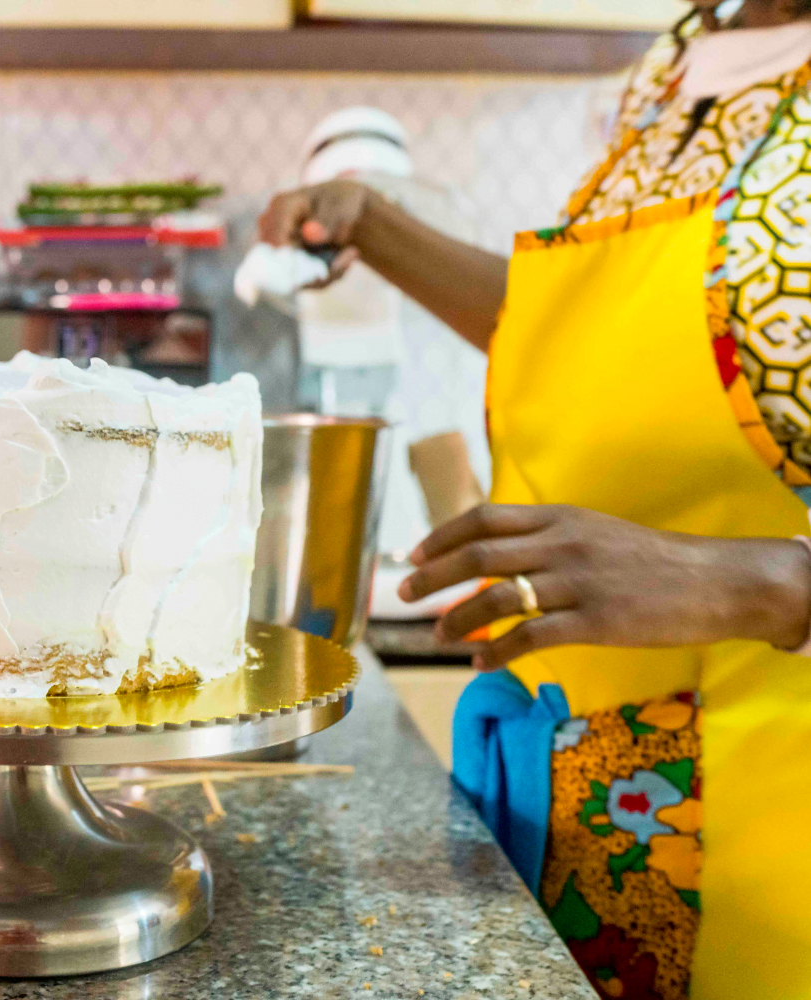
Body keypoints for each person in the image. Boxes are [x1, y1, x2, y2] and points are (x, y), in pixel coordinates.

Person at [258, 2, 811, 998]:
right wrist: (374, 225)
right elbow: (579, 334)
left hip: (779, 801)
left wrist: (758, 582)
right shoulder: (681, 57)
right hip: (583, 769)